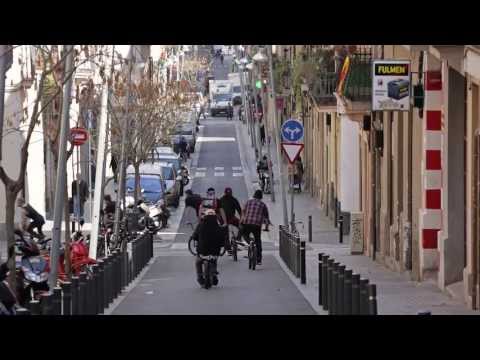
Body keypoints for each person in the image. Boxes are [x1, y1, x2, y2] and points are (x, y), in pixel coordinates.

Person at [192, 209, 224, 286]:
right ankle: (214, 274)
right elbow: (222, 240)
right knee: (214, 259)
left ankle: (200, 278)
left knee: (198, 262)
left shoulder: (200, 225)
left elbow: (194, 236)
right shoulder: (218, 226)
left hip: (202, 251)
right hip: (215, 251)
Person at [239, 190, 271, 266]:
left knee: (244, 234)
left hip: (247, 223)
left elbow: (243, 213)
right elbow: (266, 219)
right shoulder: (263, 205)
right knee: (258, 241)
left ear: (254, 195)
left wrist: (241, 222)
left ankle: (250, 243)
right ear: (261, 197)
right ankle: (259, 259)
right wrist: (266, 228)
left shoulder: (248, 202)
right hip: (257, 225)